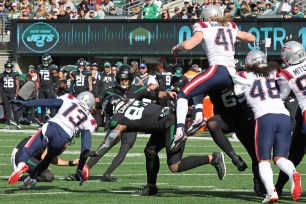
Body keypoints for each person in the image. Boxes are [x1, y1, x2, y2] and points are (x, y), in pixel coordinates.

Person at [87, 95, 227, 196]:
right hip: (165, 121)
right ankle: (151, 188)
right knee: (150, 150)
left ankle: (213, 158)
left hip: (171, 123)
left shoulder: (118, 119)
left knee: (174, 166)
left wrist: (95, 153)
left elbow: (108, 142)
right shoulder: (131, 101)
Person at [69, 65, 176, 182]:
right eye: (122, 79)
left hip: (131, 125)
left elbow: (155, 95)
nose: (124, 82)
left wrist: (167, 93)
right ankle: (81, 172)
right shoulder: (110, 91)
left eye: (127, 79)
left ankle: (107, 174)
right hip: (116, 125)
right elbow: (97, 106)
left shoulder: (137, 89)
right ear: (118, 79)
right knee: (104, 147)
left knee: (124, 149)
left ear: (130, 79)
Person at [170, 5, 256, 150]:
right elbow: (251, 37)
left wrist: (177, 47)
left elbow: (189, 45)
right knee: (199, 88)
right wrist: (234, 37)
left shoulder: (202, 25)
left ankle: (179, 131)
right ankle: (198, 116)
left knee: (183, 94)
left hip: (218, 70)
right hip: (231, 74)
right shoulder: (230, 25)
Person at [238, 50, 301, 203]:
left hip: (264, 117)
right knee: (280, 157)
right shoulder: (274, 72)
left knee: (263, 160)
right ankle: (292, 172)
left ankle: (271, 192)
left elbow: (238, 91)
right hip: (284, 115)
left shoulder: (243, 75)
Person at [8, 91, 97, 188]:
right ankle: (28, 181)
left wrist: (27, 104)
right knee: (47, 160)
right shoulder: (90, 121)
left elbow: (47, 102)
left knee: (27, 149)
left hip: (51, 128)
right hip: (63, 139)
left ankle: (20, 167)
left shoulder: (69, 99)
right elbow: (85, 149)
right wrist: (79, 169)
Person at [276, 41, 306, 196]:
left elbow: (283, 95)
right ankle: (279, 187)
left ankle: (278, 188)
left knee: (294, 154)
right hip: (302, 116)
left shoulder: (286, 74)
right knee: (295, 151)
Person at [11, 136, 79, 182]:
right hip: (22, 156)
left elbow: (52, 158)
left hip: (28, 155)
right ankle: (19, 177)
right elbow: (44, 157)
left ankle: (28, 177)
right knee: (48, 176)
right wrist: (45, 166)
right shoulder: (55, 138)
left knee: (47, 176)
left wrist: (71, 163)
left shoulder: (56, 136)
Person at [36, 54, 59, 124]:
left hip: (49, 87)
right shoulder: (39, 67)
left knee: (51, 106)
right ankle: (42, 122)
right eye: (44, 61)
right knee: (42, 106)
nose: (45, 62)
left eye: (46, 61)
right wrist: (37, 89)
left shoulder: (53, 68)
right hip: (42, 88)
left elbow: (56, 80)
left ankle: (53, 122)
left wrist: (55, 90)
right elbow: (38, 79)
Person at [0, 60, 21, 130]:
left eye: (9, 68)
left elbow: (17, 85)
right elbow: (1, 86)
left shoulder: (15, 74)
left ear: (11, 67)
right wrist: (0, 97)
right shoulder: (2, 75)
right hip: (5, 94)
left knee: (14, 109)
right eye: (7, 67)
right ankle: (8, 124)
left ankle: (18, 124)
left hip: (12, 93)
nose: (8, 69)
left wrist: (16, 93)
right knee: (6, 109)